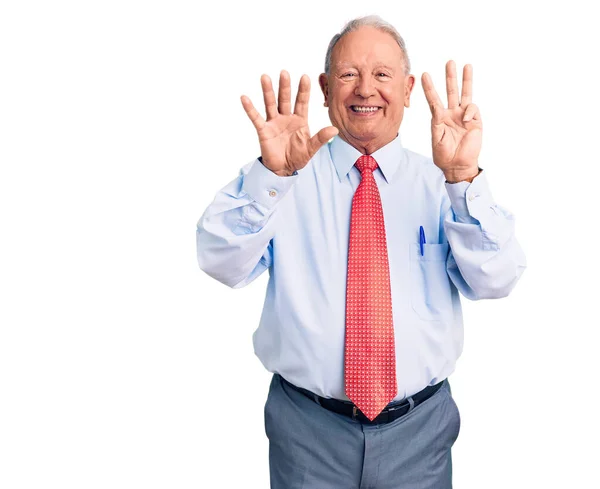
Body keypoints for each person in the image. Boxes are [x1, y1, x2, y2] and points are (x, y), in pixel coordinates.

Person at [196, 15, 526, 489]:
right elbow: (219, 261)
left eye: (382, 75)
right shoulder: (282, 179)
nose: (365, 89)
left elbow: (497, 280)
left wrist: (463, 180)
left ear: (409, 88)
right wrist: (270, 178)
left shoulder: (445, 182)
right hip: (307, 430)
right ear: (328, 88)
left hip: (419, 430)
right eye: (349, 74)